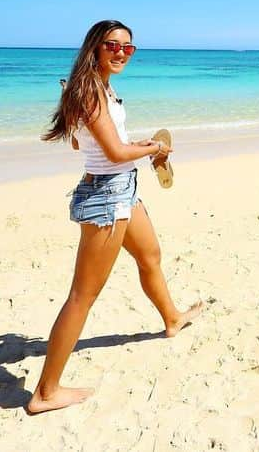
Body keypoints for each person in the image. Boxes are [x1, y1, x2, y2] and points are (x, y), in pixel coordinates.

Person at [28, 20, 202, 414]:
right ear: (95, 47)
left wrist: (136, 146)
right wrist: (153, 148)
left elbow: (102, 145)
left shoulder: (100, 85)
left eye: (129, 47)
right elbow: (114, 154)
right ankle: (45, 392)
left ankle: (172, 318)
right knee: (82, 296)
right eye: (112, 45)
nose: (121, 52)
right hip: (106, 198)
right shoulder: (89, 89)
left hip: (122, 190)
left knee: (150, 256)